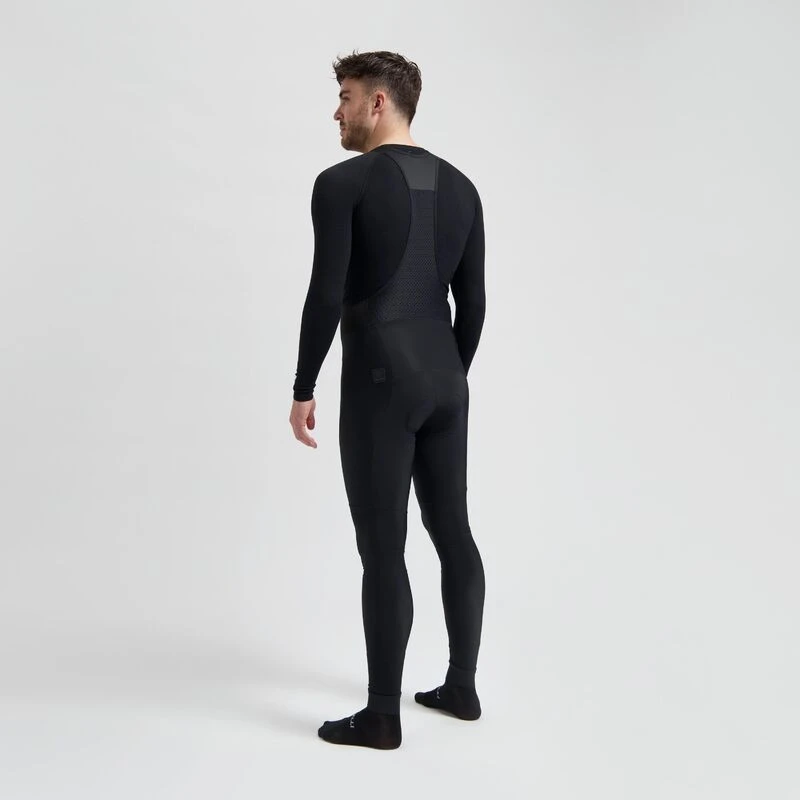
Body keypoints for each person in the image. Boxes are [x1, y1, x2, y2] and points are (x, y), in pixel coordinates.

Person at [289, 50, 486, 750]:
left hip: (380, 381)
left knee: (383, 548)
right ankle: (461, 687)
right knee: (453, 531)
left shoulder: (342, 183)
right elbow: (473, 303)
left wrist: (303, 386)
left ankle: (381, 716)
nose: (336, 112)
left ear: (378, 102)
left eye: (345, 96)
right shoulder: (463, 188)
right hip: (447, 383)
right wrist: (445, 376)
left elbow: (326, 293)